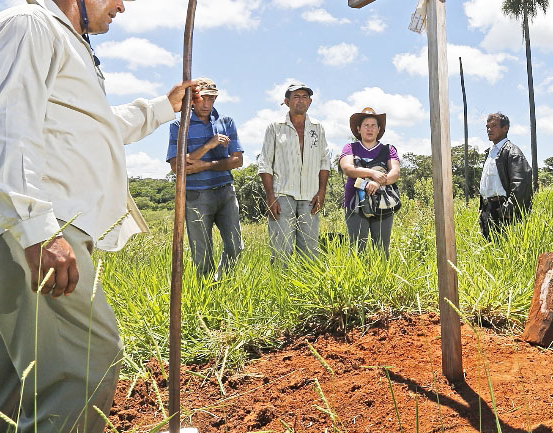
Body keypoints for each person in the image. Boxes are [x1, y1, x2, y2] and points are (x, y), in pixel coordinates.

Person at [0, 0, 193, 433]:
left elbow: (95, 128)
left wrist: (164, 106)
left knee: (5, 384)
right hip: (36, 227)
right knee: (86, 362)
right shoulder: (28, 27)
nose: (122, 6)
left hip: (34, 225)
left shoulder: (67, 44)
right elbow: (8, 127)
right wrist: (39, 228)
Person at [166, 76, 244, 280]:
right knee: (202, 254)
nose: (207, 104)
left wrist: (203, 164)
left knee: (236, 247)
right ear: (192, 99)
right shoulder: (178, 126)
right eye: (203, 99)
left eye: (212, 99)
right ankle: (206, 295)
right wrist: (208, 146)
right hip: (196, 196)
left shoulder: (226, 122)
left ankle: (222, 286)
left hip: (226, 192)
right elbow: (177, 167)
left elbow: (237, 161)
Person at [258, 83, 330, 262]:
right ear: (286, 101)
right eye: (296, 96)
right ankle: (279, 287)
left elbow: (324, 161)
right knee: (281, 249)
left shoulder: (317, 128)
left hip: (310, 195)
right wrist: (270, 196)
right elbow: (265, 163)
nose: (301, 100)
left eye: (304, 97)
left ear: (310, 102)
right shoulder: (275, 127)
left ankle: (307, 287)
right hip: (282, 194)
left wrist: (321, 192)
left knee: (310, 250)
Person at [339, 107, 401, 254]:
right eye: (366, 125)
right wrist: (372, 173)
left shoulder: (388, 149)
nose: (370, 129)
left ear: (379, 129)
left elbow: (395, 172)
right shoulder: (350, 148)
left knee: (381, 249)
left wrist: (378, 182)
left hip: (383, 204)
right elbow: (347, 168)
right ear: (359, 129)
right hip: (355, 203)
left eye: (373, 125)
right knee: (357, 249)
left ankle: (382, 276)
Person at [478, 112, 533, 240]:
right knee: (489, 251)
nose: (489, 130)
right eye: (487, 127)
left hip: (503, 210)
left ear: (505, 128)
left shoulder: (512, 152)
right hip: (488, 210)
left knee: (504, 250)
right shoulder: (491, 153)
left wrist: (508, 211)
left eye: (494, 126)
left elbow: (521, 184)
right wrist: (483, 208)